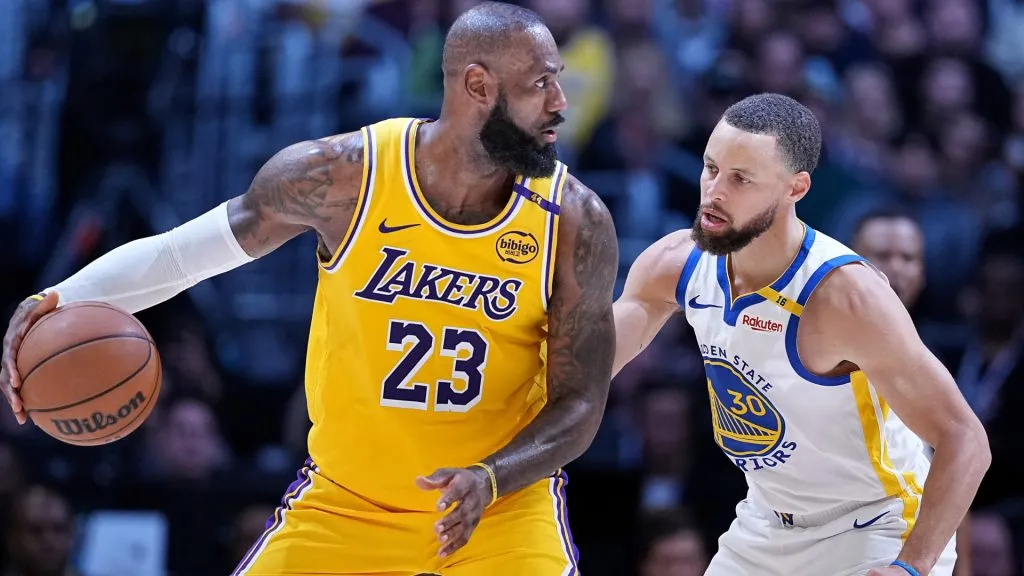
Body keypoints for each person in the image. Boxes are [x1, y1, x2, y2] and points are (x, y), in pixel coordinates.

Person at [0, 3, 619, 574]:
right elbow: (180, 256)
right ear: (478, 86)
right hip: (346, 507)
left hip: (500, 514)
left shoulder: (574, 222)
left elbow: (580, 403)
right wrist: (57, 299)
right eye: (541, 83)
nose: (561, 102)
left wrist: (491, 476)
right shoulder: (343, 176)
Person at [612, 93, 990, 576]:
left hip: (874, 527)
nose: (714, 192)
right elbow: (582, 370)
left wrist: (911, 568)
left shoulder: (845, 296)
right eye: (711, 168)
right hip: (764, 523)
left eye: (741, 179)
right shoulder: (676, 263)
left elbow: (966, 439)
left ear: (796, 188)